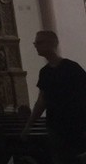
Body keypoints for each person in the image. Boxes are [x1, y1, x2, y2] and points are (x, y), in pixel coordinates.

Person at [22, 30, 86, 163]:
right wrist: (29, 125)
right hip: (55, 126)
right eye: (35, 43)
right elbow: (41, 101)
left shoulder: (72, 68)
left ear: (52, 43)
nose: (35, 45)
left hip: (76, 124)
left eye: (39, 42)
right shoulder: (45, 72)